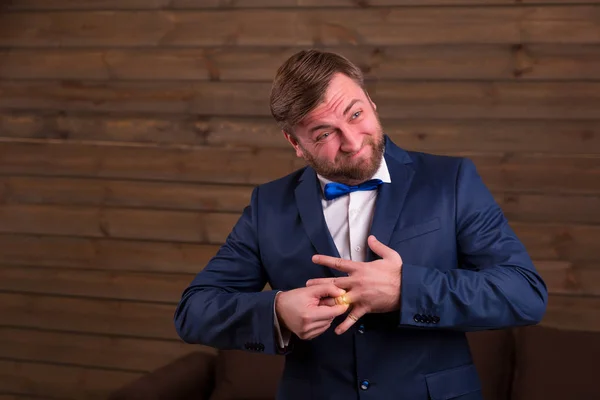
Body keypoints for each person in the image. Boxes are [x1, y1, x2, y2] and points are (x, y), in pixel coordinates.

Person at [174, 49, 548, 400]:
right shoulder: (267, 205)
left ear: (371, 102)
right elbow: (194, 311)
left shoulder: (451, 180)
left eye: (355, 115)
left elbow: (524, 293)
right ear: (295, 143)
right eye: (324, 134)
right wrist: (277, 312)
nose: (352, 142)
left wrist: (405, 290)